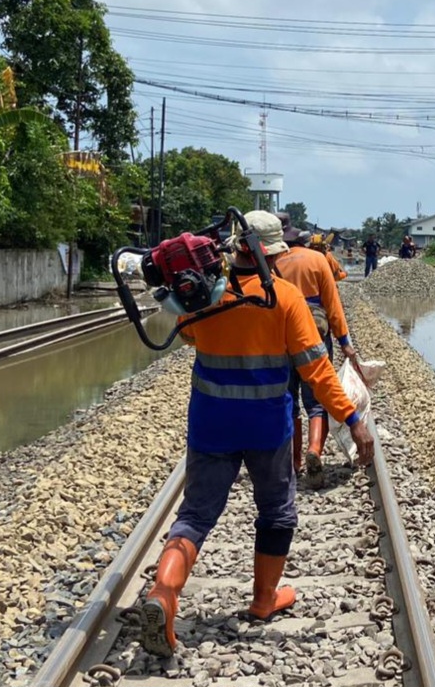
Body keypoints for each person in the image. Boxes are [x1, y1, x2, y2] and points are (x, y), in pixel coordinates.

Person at [139, 212, 373, 658]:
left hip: (211, 424)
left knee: (195, 516)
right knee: (277, 513)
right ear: (272, 253)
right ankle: (264, 598)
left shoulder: (203, 294)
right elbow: (317, 370)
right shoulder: (285, 298)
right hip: (267, 429)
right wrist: (352, 418)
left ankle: (163, 595)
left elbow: (189, 339)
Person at [270, 220, 358, 478]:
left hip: (281, 340)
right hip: (314, 338)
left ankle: (294, 462)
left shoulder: (271, 263)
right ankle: (315, 449)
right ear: (304, 241)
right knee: (317, 401)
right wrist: (344, 342)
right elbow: (333, 305)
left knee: (289, 401)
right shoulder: (318, 260)